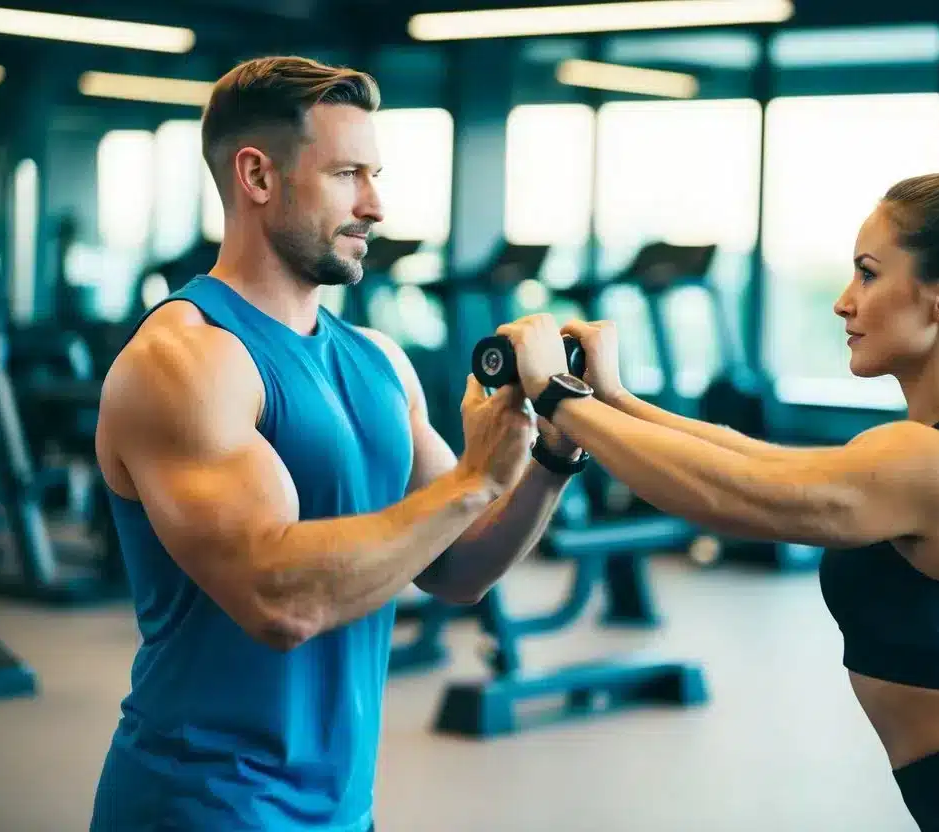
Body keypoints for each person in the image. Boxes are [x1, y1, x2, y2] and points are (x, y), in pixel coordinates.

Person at [497, 172, 939, 831]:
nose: (843, 301)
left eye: (867, 274)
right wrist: (613, 400)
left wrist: (554, 399)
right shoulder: (932, 446)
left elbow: (731, 495)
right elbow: (753, 461)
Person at [90, 56, 588, 832]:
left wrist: (549, 457)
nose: (375, 205)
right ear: (257, 176)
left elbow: (456, 570)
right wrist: (474, 480)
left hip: (341, 805)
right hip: (204, 804)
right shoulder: (185, 361)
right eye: (348, 173)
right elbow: (278, 601)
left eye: (375, 173)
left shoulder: (378, 360)